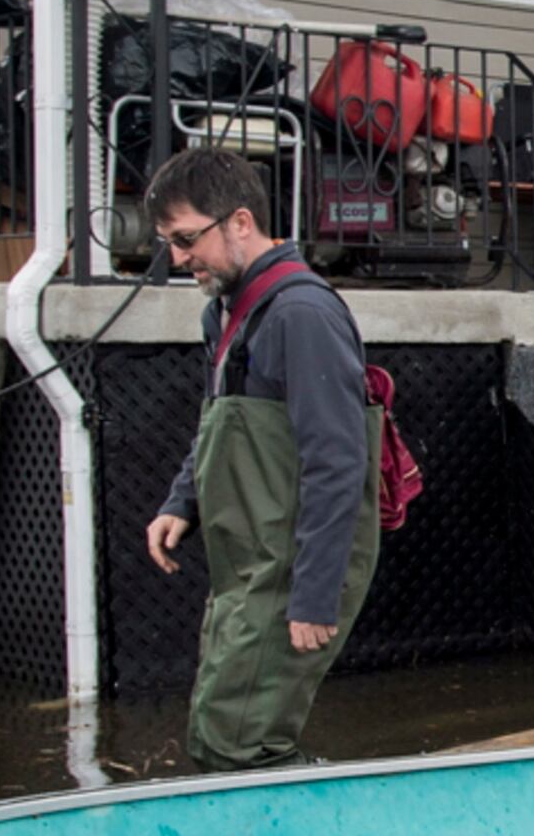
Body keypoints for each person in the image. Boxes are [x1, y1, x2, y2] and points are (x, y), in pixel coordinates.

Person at [140, 147, 379, 772]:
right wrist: (180, 501)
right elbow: (217, 422)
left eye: (187, 238)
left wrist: (315, 597)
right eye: (169, 242)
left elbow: (338, 460)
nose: (178, 258)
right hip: (248, 562)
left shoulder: (301, 313)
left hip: (295, 565)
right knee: (222, 724)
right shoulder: (223, 311)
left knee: (237, 740)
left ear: (240, 222)